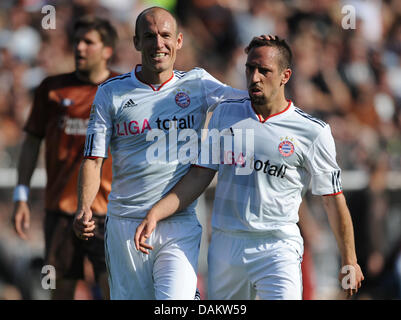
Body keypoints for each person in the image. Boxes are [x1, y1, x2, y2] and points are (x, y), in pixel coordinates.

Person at [135, 36, 364, 300]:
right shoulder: (225, 113)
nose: (254, 77)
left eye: (264, 70)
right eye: (250, 68)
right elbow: (199, 174)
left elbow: (333, 200)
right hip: (226, 244)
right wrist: (156, 212)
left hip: (278, 246)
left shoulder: (313, 131)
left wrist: (350, 259)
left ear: (285, 76)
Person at [73, 6, 247, 300]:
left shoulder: (198, 84)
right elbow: (93, 158)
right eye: (150, 36)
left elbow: (249, 104)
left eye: (166, 35)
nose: (158, 43)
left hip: (178, 221)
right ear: (137, 42)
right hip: (125, 224)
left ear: (179, 41)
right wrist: (84, 207)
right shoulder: (110, 93)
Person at [11, 16, 118, 300]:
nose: (79, 48)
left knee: (114, 291)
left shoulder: (123, 89)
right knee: (60, 292)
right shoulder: (52, 89)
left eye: (89, 42)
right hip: (61, 211)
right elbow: (31, 143)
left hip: (110, 213)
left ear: (107, 50)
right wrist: (21, 195)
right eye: (77, 41)